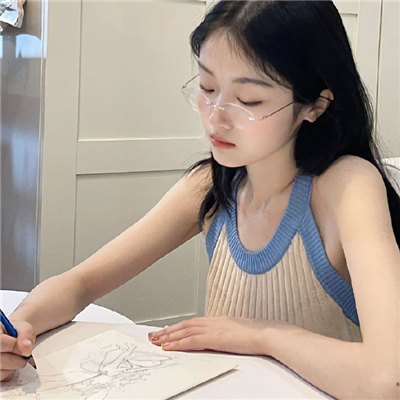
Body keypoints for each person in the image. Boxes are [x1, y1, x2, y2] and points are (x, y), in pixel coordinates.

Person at [1, 1, 399, 398]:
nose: (215, 118)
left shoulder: (346, 186)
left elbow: (388, 379)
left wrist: (262, 335)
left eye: (249, 100)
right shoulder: (212, 184)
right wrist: (18, 329)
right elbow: (83, 282)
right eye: (207, 88)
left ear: (315, 105)